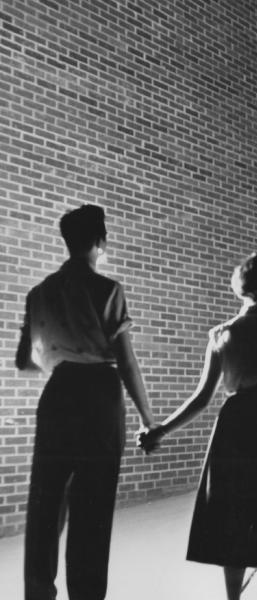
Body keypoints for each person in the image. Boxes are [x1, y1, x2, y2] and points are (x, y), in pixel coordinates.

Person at [139, 253, 257, 600]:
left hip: (236, 428)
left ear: (240, 287)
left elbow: (201, 399)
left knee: (233, 517)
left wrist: (160, 430)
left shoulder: (223, 334)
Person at [15, 204, 156, 600]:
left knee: (45, 502)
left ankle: (38, 592)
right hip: (99, 396)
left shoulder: (39, 293)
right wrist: (148, 419)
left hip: (58, 393)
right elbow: (126, 361)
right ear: (99, 241)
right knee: (92, 509)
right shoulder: (107, 290)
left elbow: (25, 361)